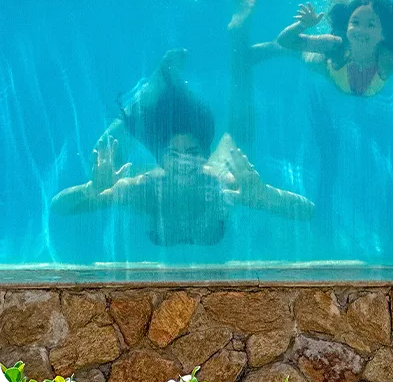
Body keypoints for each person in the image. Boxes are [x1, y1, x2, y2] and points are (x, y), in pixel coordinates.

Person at [52, 50, 313, 245]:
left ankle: (234, 44)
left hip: (218, 162)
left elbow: (306, 212)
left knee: (238, 131)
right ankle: (142, 101)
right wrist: (92, 188)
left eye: (193, 154)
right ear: (160, 157)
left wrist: (264, 194)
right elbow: (59, 207)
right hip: (158, 167)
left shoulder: (224, 185)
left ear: (204, 155)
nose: (183, 162)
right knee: (102, 151)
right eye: (173, 155)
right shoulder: (142, 188)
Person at [276, 0, 393, 96]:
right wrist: (303, 25)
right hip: (328, 70)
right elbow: (284, 41)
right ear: (347, 26)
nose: (361, 30)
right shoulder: (334, 45)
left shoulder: (389, 58)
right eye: (355, 23)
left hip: (359, 86)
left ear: (383, 34)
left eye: (370, 25)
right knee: (298, 54)